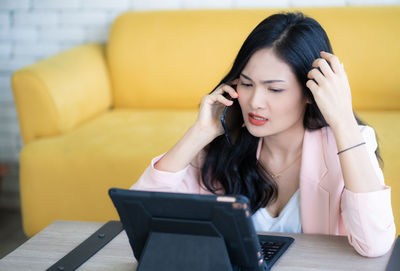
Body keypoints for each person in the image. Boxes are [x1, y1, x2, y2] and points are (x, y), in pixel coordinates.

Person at [131, 12, 395, 257]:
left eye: (275, 89)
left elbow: (374, 244)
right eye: (246, 84)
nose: (255, 101)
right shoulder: (223, 146)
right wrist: (199, 133)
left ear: (310, 92)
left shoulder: (348, 144)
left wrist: (343, 121)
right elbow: (141, 220)